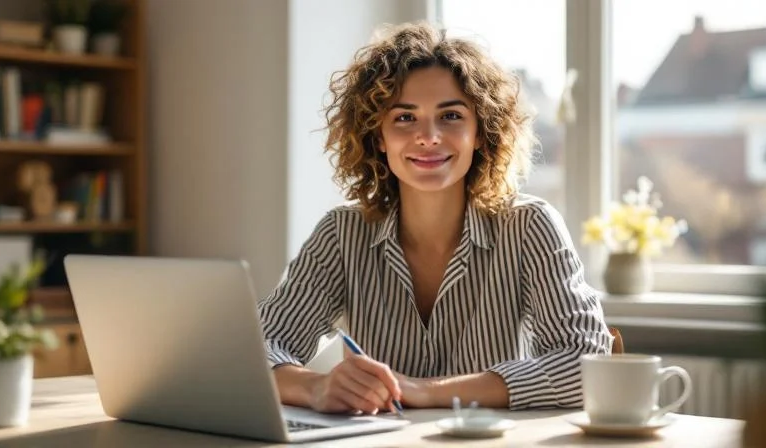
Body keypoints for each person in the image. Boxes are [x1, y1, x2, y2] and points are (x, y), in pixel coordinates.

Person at [258, 21, 613, 415]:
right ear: (379, 137)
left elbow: (586, 364)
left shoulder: (530, 226)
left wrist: (425, 391)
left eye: (451, 116)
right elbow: (257, 347)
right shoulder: (341, 234)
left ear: (480, 131)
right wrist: (316, 387)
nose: (428, 136)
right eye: (405, 118)